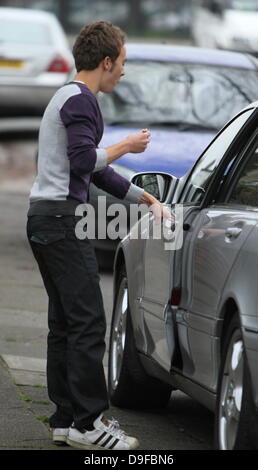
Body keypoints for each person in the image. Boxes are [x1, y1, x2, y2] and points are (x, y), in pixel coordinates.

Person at [26, 21, 170, 451]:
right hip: (61, 222)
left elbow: (95, 170)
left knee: (66, 323)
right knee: (89, 322)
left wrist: (144, 197)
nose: (123, 71)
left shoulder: (68, 98)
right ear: (106, 62)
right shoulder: (81, 100)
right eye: (122, 62)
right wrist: (125, 145)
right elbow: (82, 160)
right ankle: (90, 424)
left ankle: (66, 419)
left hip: (45, 218)